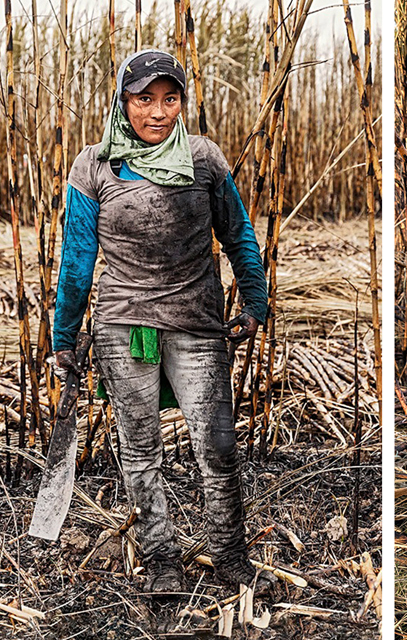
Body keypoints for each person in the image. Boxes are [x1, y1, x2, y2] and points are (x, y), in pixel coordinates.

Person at [53, 50, 267, 595]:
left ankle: (230, 555)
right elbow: (77, 260)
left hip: (196, 323)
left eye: (170, 98)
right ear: (123, 102)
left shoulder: (203, 159)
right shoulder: (95, 164)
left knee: (217, 445)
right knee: (140, 448)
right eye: (143, 99)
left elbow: (237, 233)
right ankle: (162, 560)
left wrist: (254, 303)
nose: (158, 111)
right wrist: (64, 337)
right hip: (125, 327)